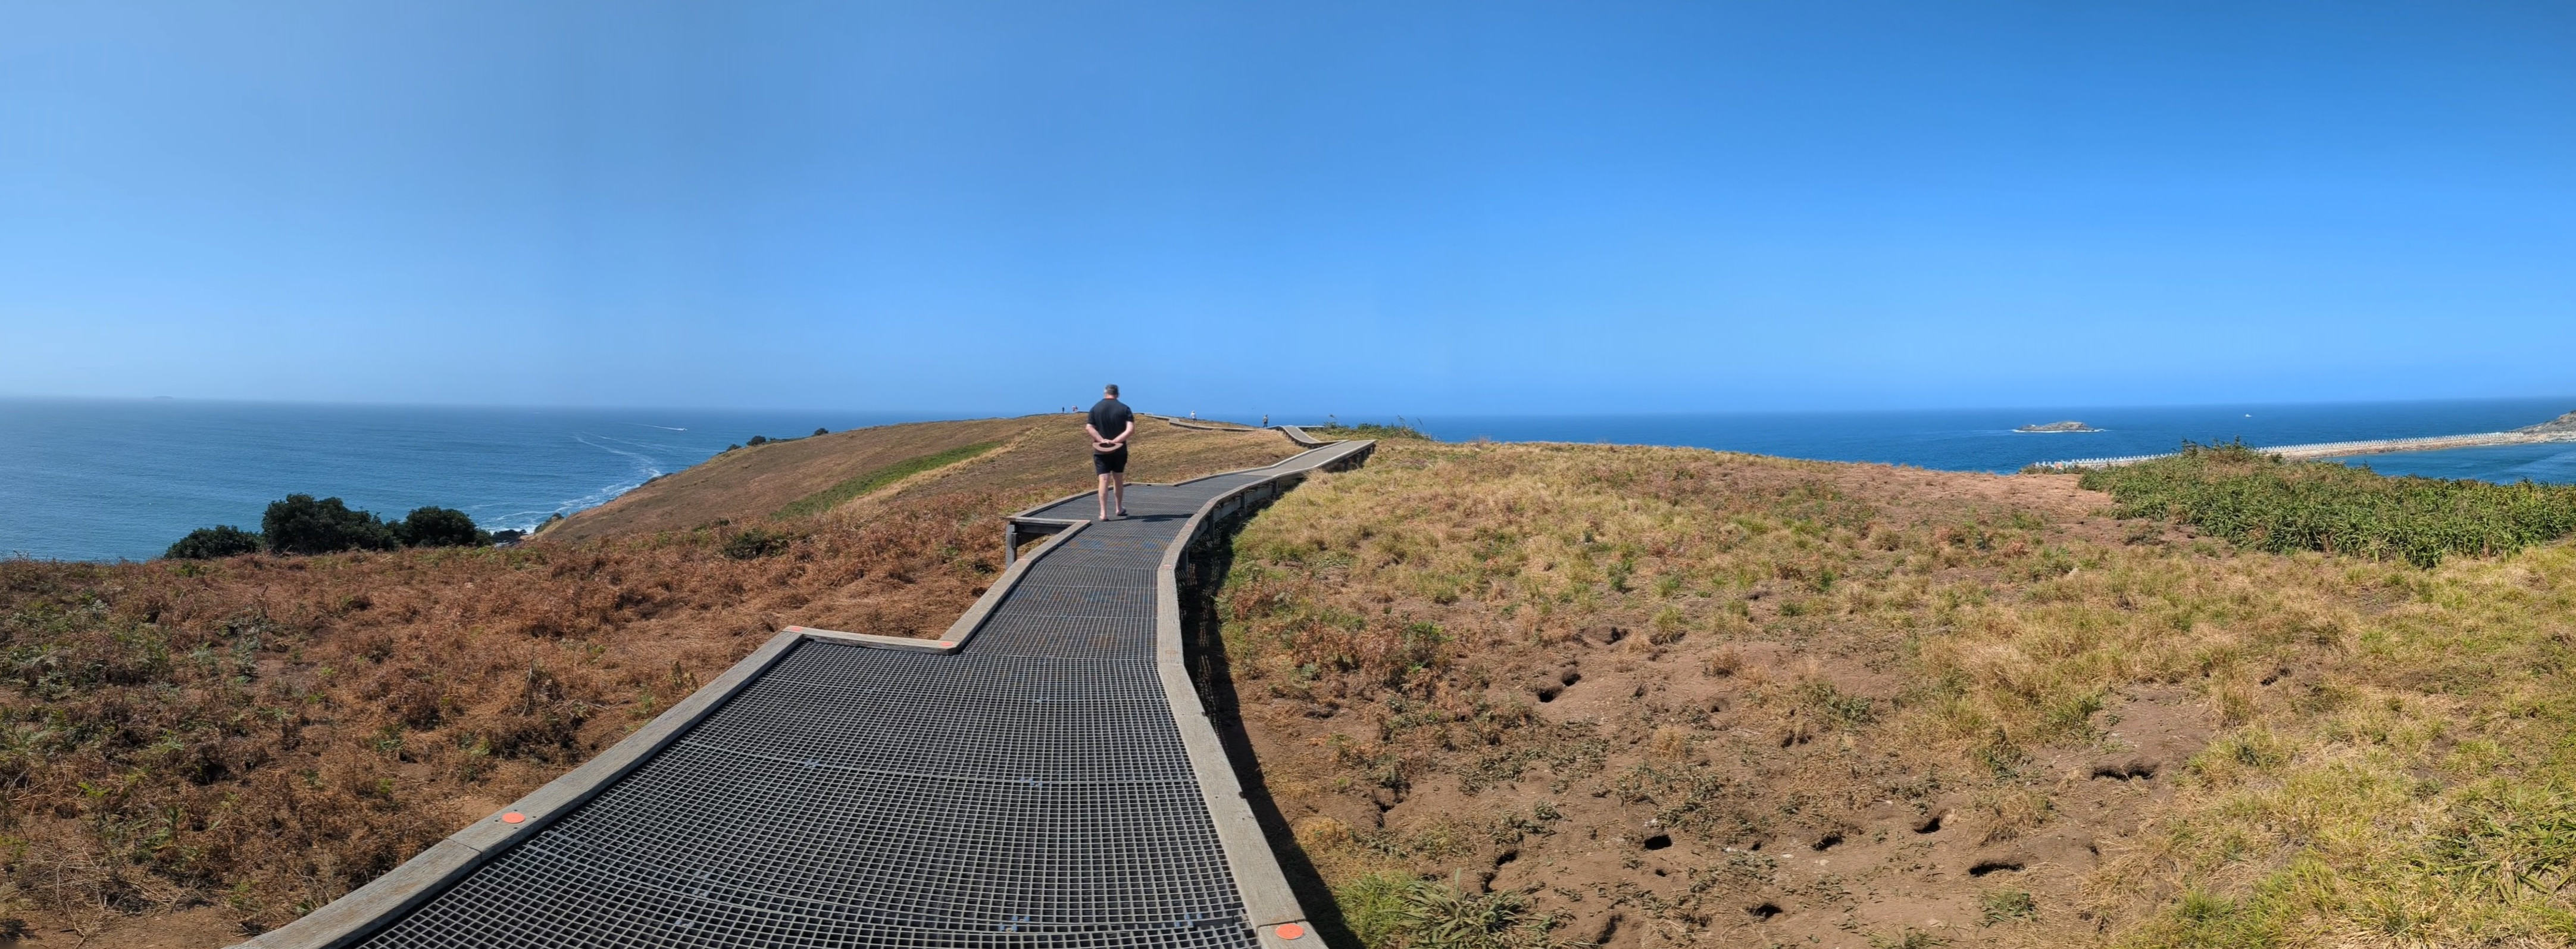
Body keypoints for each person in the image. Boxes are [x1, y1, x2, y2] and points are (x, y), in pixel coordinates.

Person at [1084, 384, 1135, 520]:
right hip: (1120, 450)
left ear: (1105, 393)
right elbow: (1130, 430)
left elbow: (1089, 428)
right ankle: (1119, 508)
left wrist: (1102, 440)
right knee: (1118, 478)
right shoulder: (1125, 408)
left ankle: (1103, 513)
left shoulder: (1095, 408)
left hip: (1101, 450)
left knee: (1104, 479)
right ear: (1118, 394)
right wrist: (1115, 441)